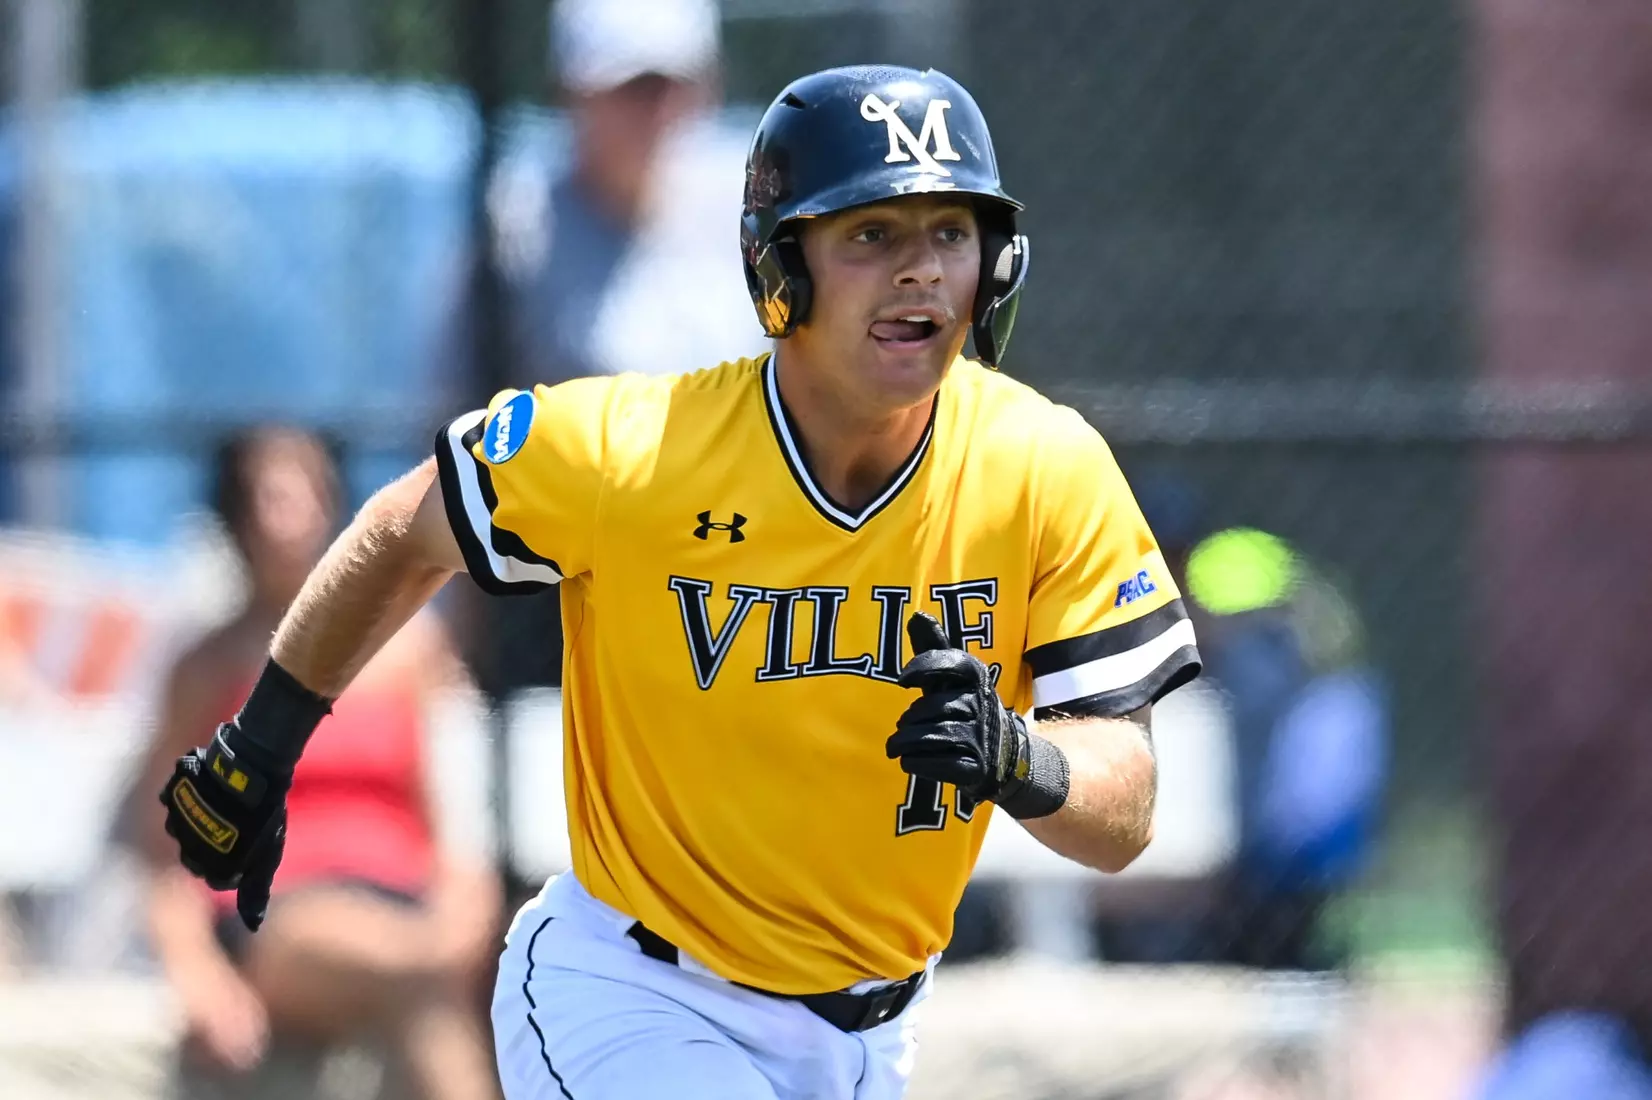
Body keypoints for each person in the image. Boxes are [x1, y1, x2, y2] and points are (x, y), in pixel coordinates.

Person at [152, 68, 1202, 1099]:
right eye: (871, 235)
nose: (921, 271)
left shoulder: (1042, 464)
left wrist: (1019, 756)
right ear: (779, 268)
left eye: (949, 232)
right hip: (632, 993)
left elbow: (1124, 807)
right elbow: (402, 525)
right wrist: (264, 738)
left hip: (871, 1035)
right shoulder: (638, 451)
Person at [125, 427, 502, 1100]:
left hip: (406, 901)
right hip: (278, 911)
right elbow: (161, 853)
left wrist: (464, 917)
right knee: (419, 979)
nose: (290, 517)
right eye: (271, 497)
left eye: (307, 494)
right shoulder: (208, 668)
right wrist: (198, 975)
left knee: (458, 978)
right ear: (236, 516)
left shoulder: (414, 654)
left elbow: (459, 823)